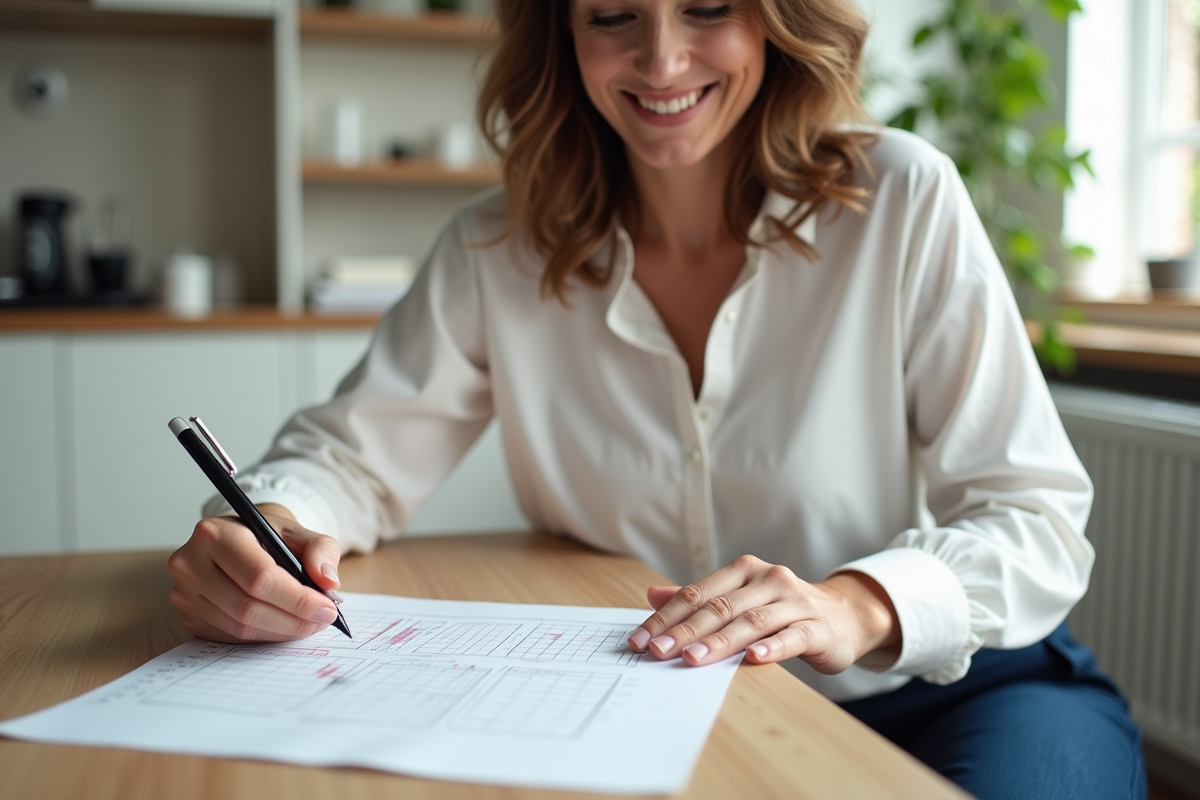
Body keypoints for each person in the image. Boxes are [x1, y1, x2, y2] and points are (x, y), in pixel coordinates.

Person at [167, 1, 1146, 797]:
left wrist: (858, 600)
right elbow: (351, 456)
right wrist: (275, 523)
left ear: (775, 19)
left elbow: (1034, 516)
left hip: (950, 684)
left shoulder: (899, 197)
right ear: (563, 32)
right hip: (636, 710)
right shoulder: (495, 247)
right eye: (613, 15)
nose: (662, 58)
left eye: (708, 7)